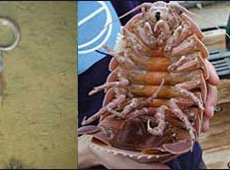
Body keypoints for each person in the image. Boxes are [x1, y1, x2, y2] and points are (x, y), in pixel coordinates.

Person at [77, 1, 220, 169]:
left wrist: (198, 64)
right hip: (113, 140)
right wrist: (86, 150)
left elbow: (162, 15)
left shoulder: (151, 15)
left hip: (182, 150)